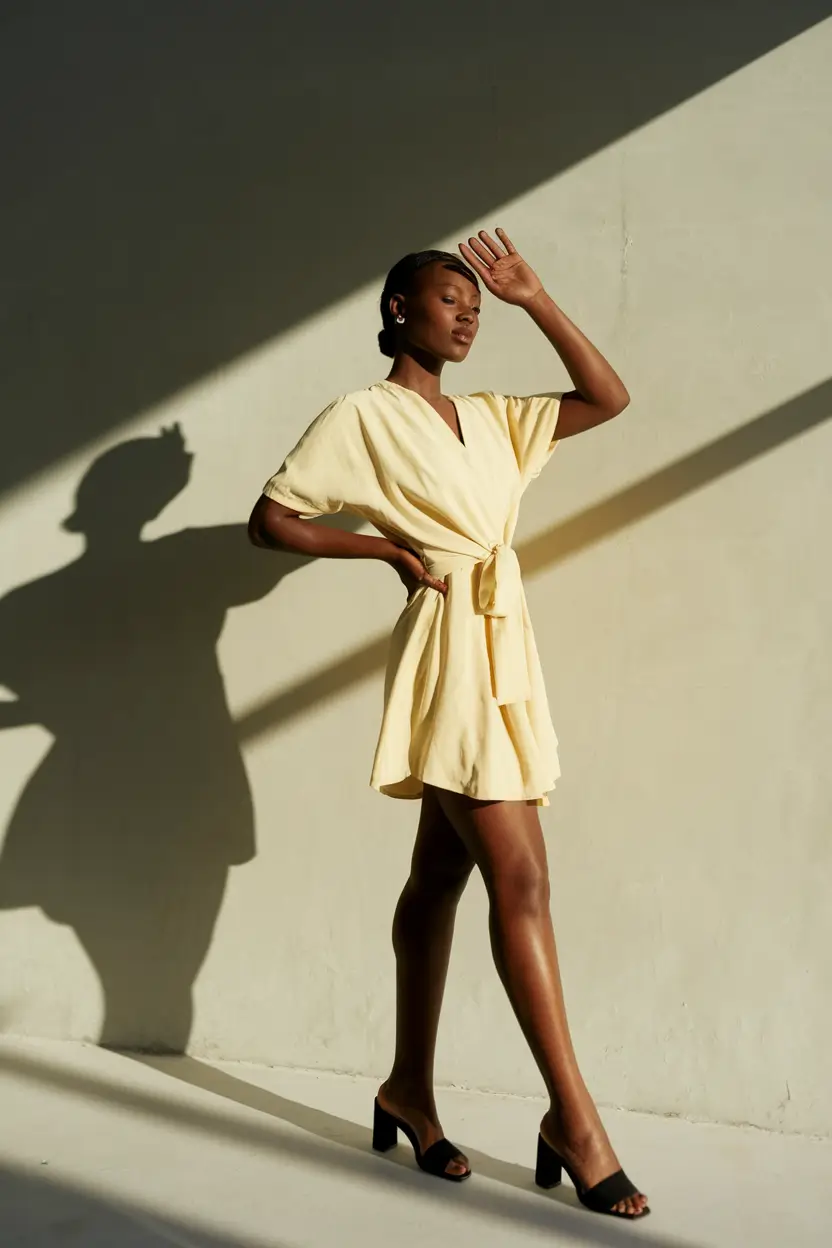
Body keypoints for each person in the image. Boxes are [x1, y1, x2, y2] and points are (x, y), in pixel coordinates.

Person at [248, 229, 648, 1219]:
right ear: (396, 311)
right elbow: (272, 519)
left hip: (501, 647)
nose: (466, 313)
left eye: (474, 303)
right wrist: (381, 549)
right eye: (447, 299)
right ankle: (574, 1120)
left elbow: (607, 397)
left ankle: (406, 1091)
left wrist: (537, 301)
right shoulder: (362, 415)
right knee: (522, 877)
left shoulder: (492, 418)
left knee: (438, 879)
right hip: (452, 652)